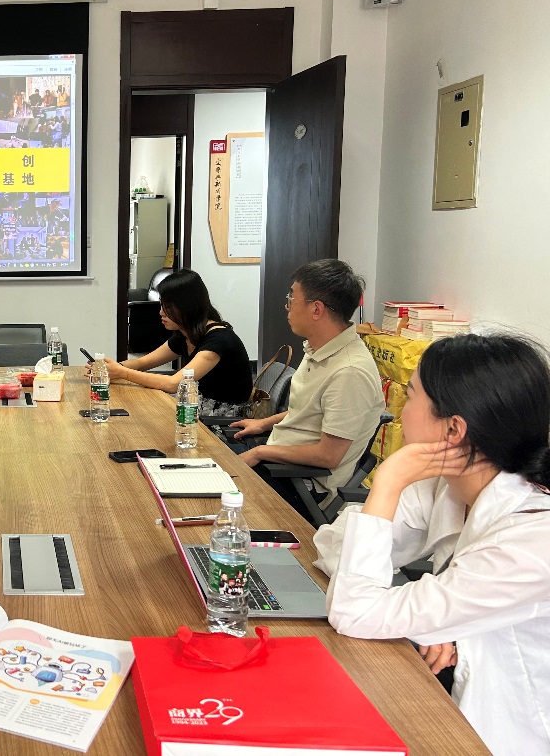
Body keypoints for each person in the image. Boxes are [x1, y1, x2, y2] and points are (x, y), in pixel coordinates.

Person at [312, 333, 550, 754]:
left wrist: (388, 481)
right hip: (457, 709)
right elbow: (332, 543)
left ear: (454, 429)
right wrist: (433, 614)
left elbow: (354, 611)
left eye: (410, 396)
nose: (396, 411)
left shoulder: (531, 541)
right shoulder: (450, 485)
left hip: (508, 736)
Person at [230, 259, 383, 510]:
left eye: (292, 298)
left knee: (207, 489)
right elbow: (310, 411)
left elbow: (328, 455)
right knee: (202, 460)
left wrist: (260, 453)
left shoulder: (349, 372)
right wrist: (263, 424)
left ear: (316, 309)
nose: (287, 306)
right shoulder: (319, 349)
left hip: (302, 484)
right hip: (280, 458)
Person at [99, 270, 252, 413]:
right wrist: (109, 368)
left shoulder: (219, 339)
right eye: (162, 305)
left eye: (168, 307)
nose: (161, 312)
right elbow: (142, 363)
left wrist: (122, 373)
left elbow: (174, 384)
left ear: (187, 306)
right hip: (195, 407)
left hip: (222, 417)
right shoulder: (185, 335)